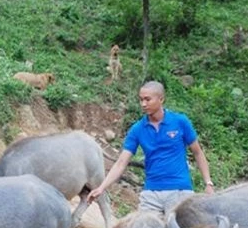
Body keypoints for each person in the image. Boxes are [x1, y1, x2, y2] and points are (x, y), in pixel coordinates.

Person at [88, 81, 214, 214]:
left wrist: (208, 183)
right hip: (151, 194)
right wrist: (101, 188)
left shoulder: (180, 122)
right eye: (141, 99)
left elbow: (198, 153)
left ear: (161, 99)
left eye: (148, 99)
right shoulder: (137, 129)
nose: (143, 104)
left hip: (180, 191)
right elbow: (121, 163)